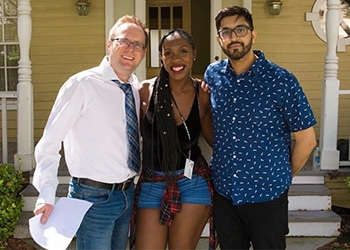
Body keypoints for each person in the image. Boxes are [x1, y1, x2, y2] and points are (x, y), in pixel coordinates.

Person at [204, 6, 317, 250]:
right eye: (226, 32)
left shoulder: (281, 80)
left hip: (267, 196)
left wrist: (283, 177)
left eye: (240, 29)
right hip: (225, 194)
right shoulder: (213, 75)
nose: (234, 37)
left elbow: (307, 140)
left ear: (253, 34)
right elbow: (210, 119)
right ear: (219, 39)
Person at [32, 15, 148, 250]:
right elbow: (49, 143)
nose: (130, 49)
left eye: (138, 44)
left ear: (143, 53)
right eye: (124, 41)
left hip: (127, 193)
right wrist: (46, 192)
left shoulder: (134, 89)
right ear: (109, 44)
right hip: (92, 198)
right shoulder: (82, 85)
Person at [131, 28, 216, 250]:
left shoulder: (203, 93)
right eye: (168, 53)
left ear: (194, 54)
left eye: (183, 52)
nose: (176, 59)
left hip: (192, 182)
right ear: (161, 56)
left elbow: (213, 140)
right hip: (153, 182)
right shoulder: (145, 91)